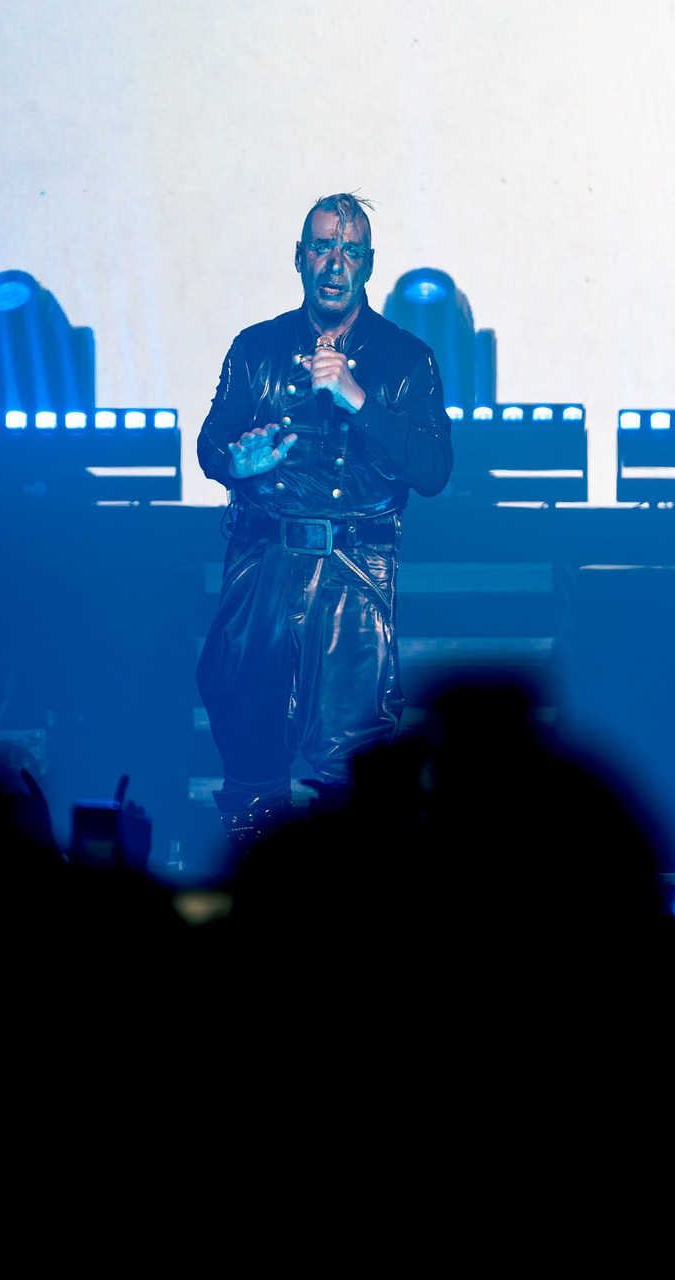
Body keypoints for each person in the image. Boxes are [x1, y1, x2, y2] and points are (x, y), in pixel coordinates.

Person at [195, 194, 453, 851]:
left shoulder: (406, 359)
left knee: (351, 773)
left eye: (350, 251)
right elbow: (212, 441)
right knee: (250, 761)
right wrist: (234, 461)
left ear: (368, 264)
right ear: (299, 257)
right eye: (322, 247)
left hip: (352, 577)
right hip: (263, 568)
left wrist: (358, 399)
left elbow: (433, 469)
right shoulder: (256, 347)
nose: (335, 264)